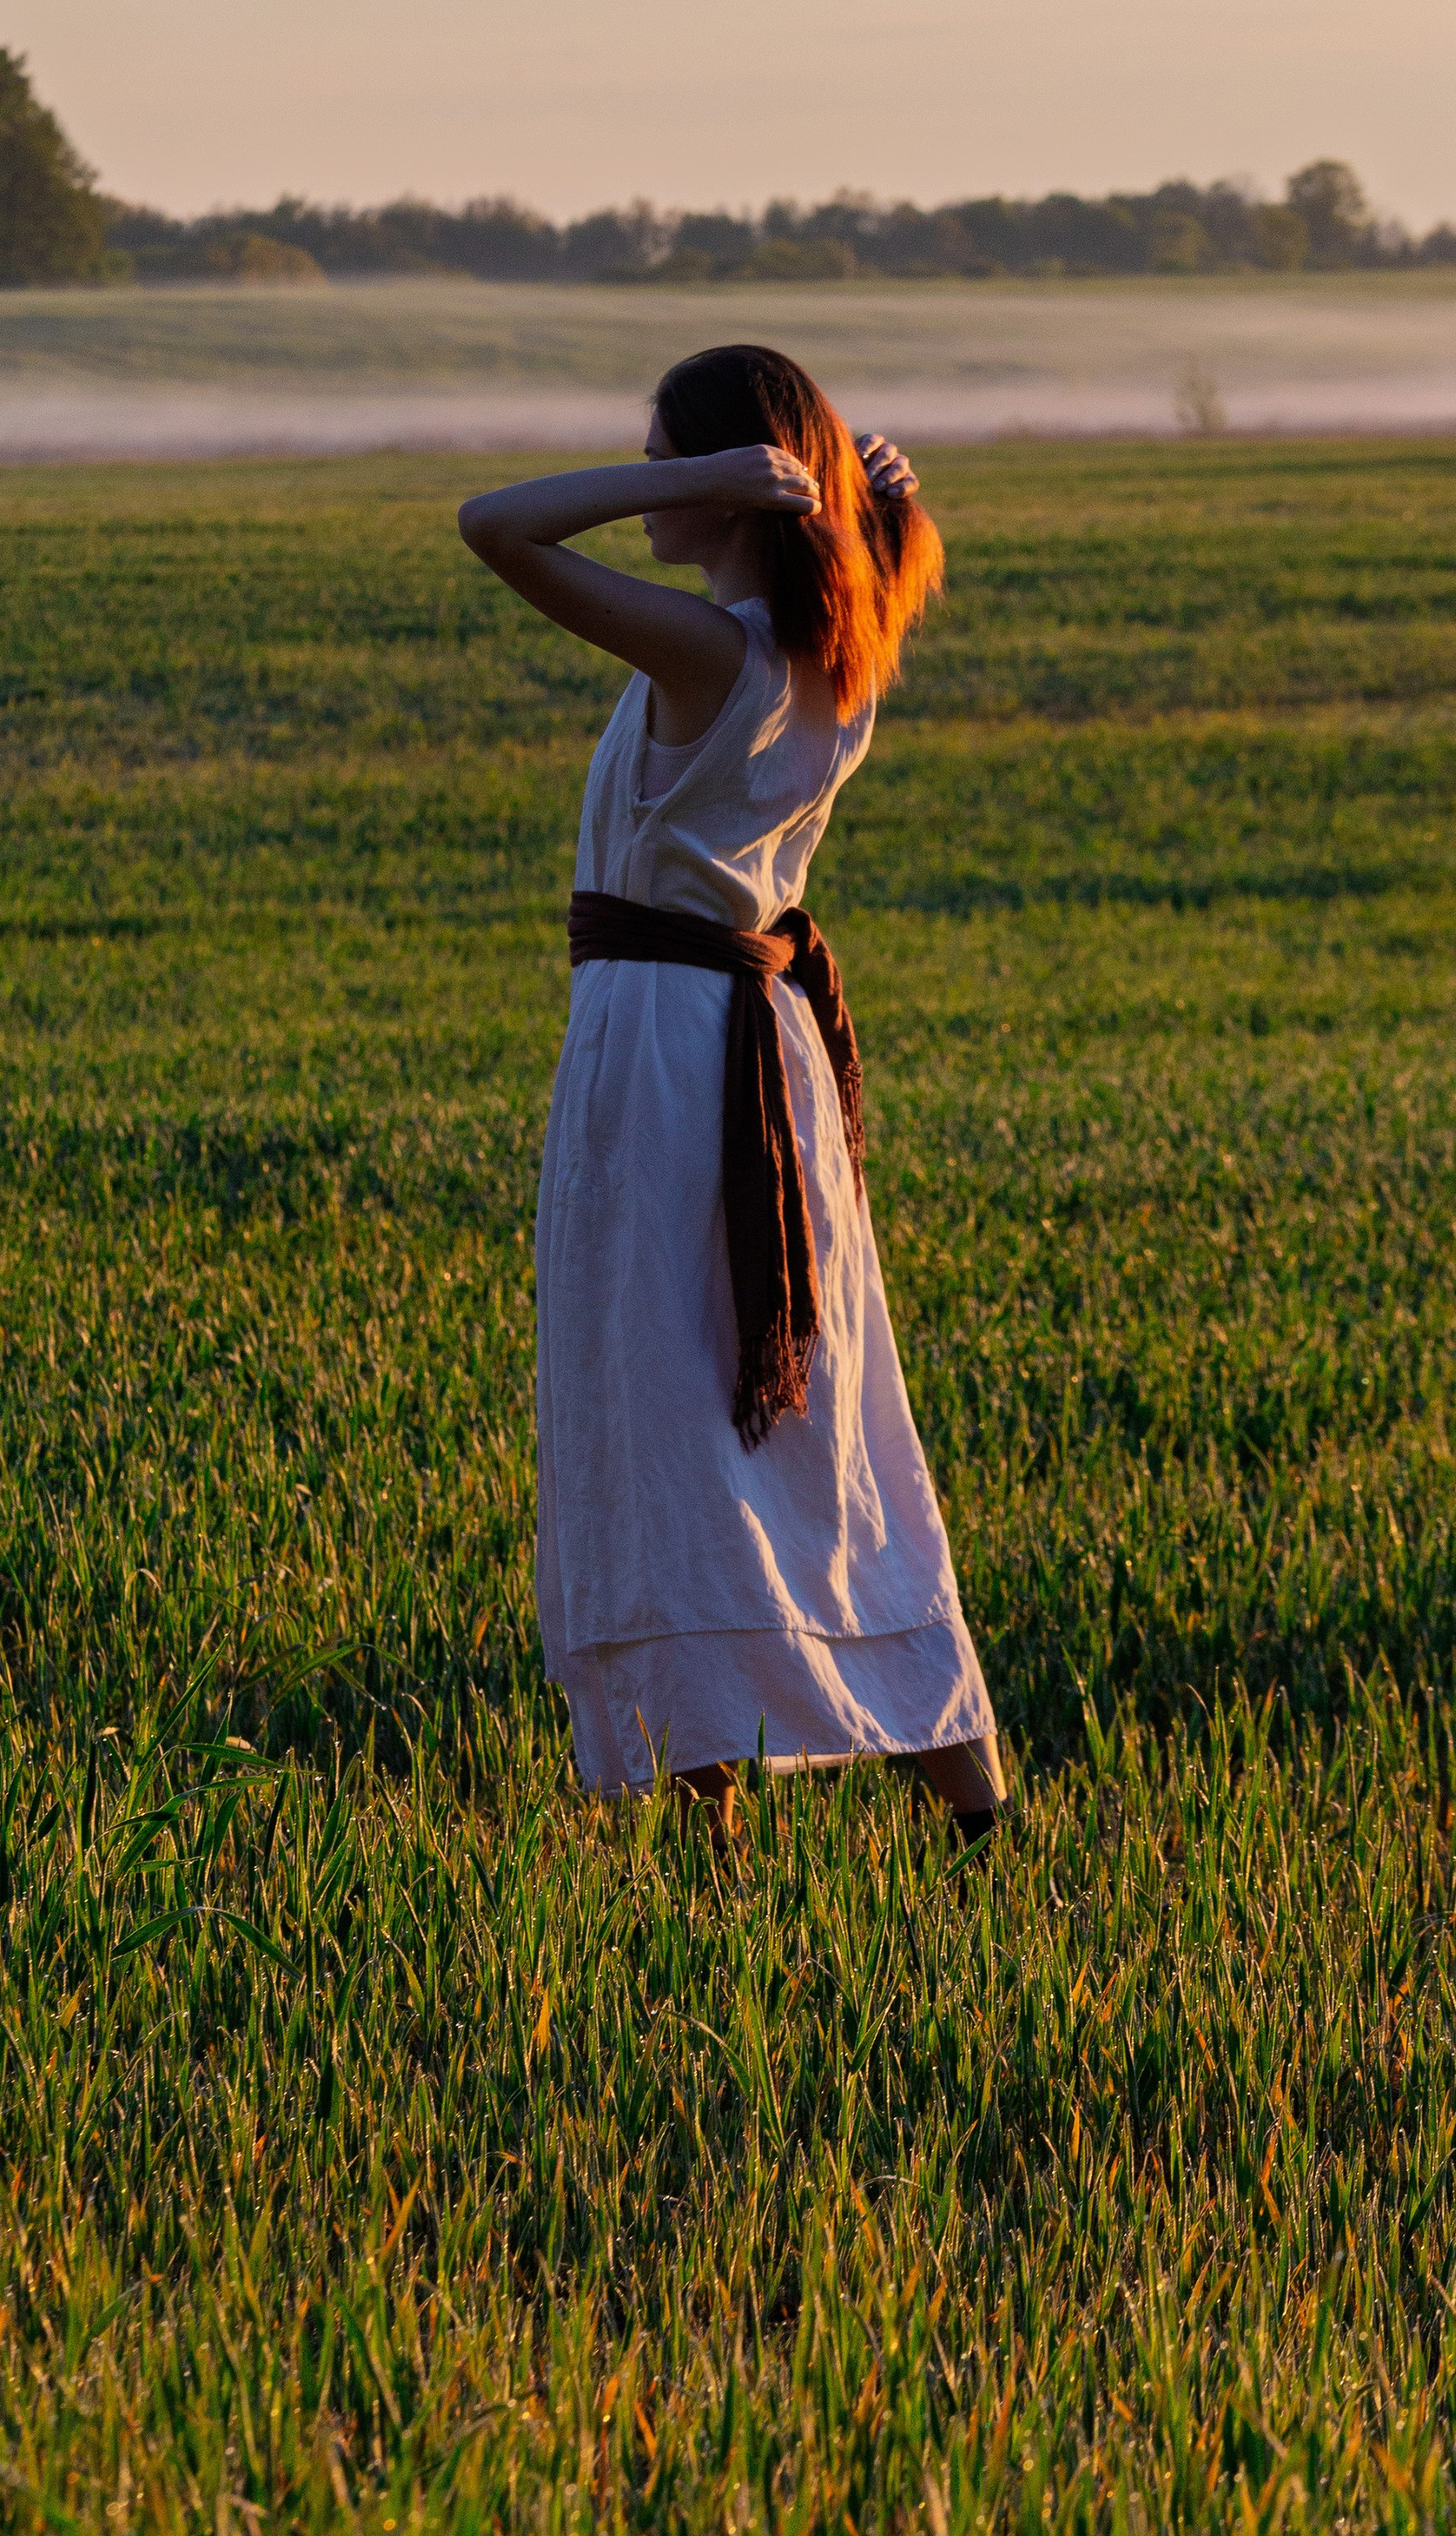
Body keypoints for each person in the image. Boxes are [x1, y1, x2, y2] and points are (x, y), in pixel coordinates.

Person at [457, 344, 1004, 1845]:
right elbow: (879, 555)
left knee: (667, 1426)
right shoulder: (840, 641)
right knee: (815, 1437)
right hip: (750, 1053)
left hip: (666, 1055)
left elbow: (493, 524)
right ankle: (963, 1808)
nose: (649, 480)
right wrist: (857, 499)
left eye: (667, 456)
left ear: (738, 479)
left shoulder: (715, 653)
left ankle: (714, 1844)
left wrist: (715, 478)